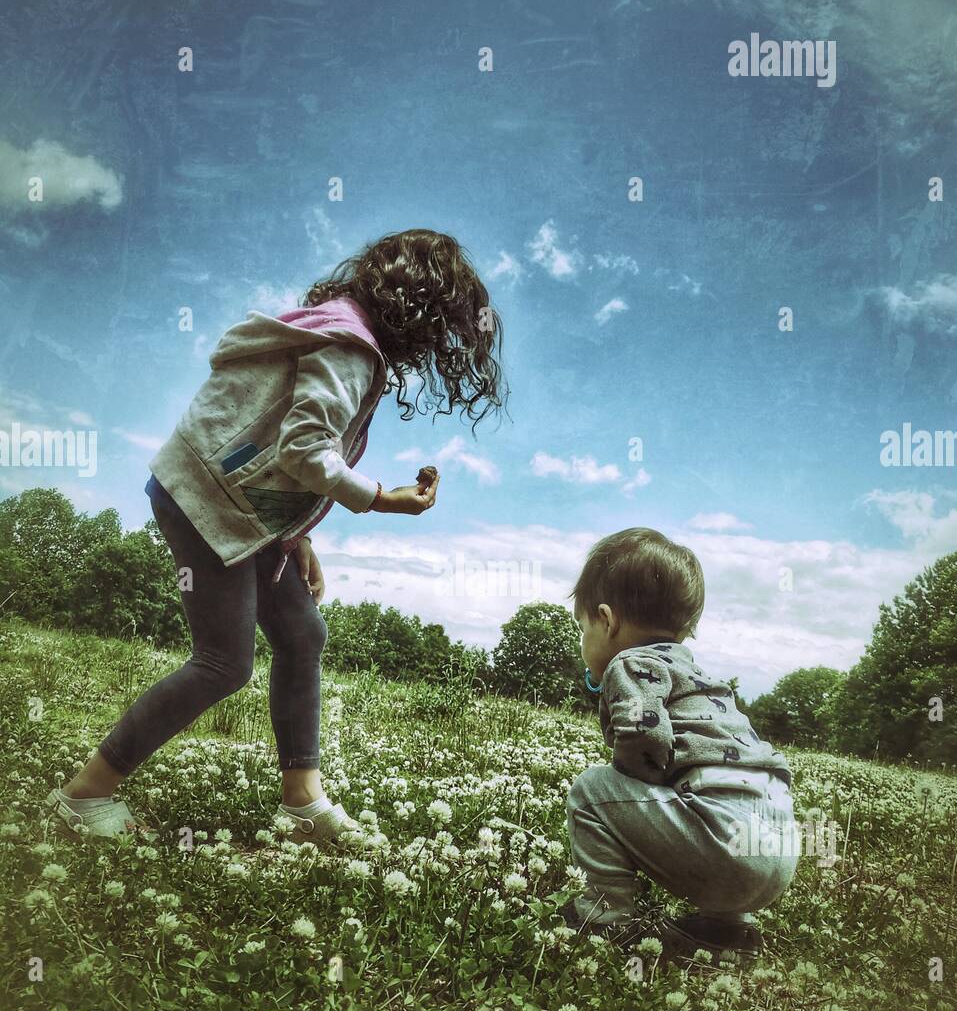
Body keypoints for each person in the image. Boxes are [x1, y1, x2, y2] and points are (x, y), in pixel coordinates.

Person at [46, 229, 506, 845]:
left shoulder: (337, 328)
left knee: (300, 631)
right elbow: (304, 448)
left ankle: (302, 801)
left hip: (233, 499)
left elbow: (272, 452)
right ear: (419, 308)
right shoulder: (352, 348)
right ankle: (86, 793)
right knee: (222, 663)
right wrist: (380, 499)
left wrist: (298, 538)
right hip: (207, 501)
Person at [564, 527, 800, 961]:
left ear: (607, 619)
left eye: (583, 629)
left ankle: (603, 917)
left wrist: (632, 788)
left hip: (723, 848)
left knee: (592, 793)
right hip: (779, 850)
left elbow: (644, 732)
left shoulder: (632, 664)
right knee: (701, 790)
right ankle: (726, 930)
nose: (584, 644)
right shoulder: (702, 679)